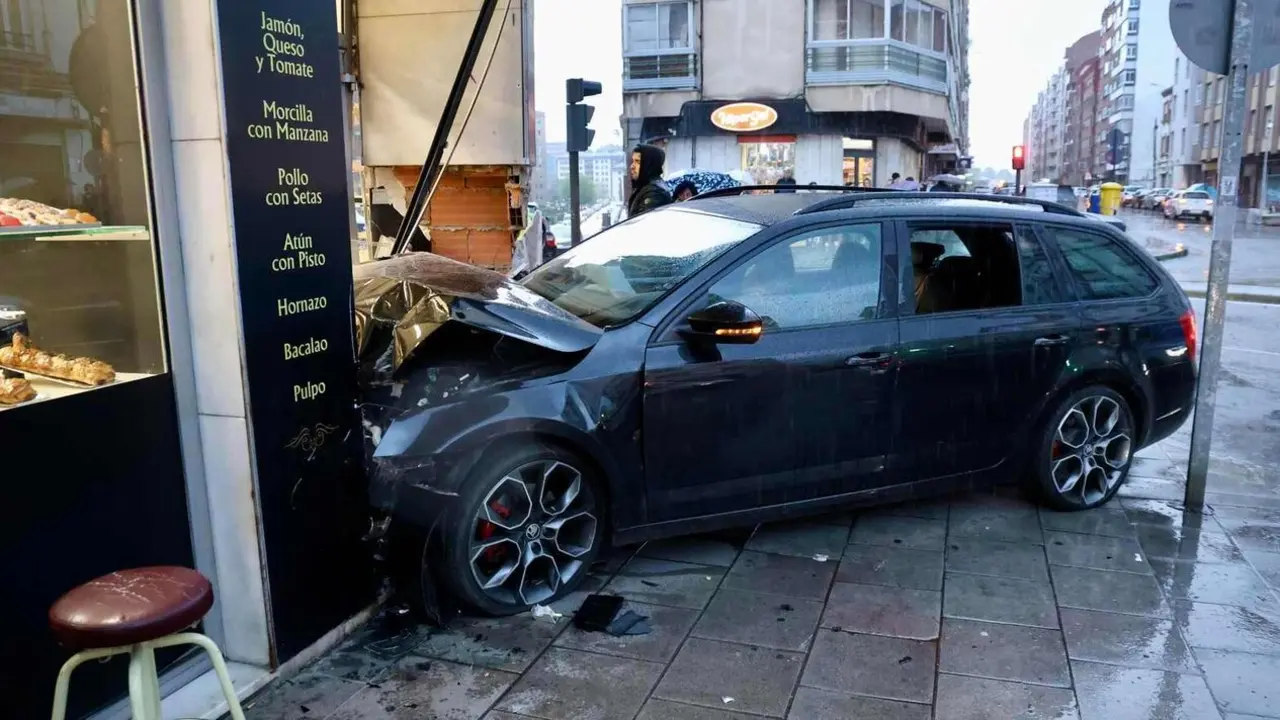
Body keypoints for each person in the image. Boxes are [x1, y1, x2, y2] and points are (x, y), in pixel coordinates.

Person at [627, 144, 673, 218]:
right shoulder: (645, 186)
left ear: (648, 164)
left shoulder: (654, 193)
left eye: (638, 162)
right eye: (633, 161)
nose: (632, 166)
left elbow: (643, 223)